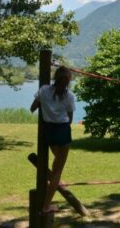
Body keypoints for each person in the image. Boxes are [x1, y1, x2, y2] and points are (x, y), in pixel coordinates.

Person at [30, 66, 76, 213]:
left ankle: (52, 191)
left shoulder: (43, 90)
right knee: (57, 172)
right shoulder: (69, 96)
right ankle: (46, 206)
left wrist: (44, 105)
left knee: (57, 167)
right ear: (68, 81)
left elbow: (32, 108)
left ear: (55, 77)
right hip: (62, 130)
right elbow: (69, 119)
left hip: (48, 131)